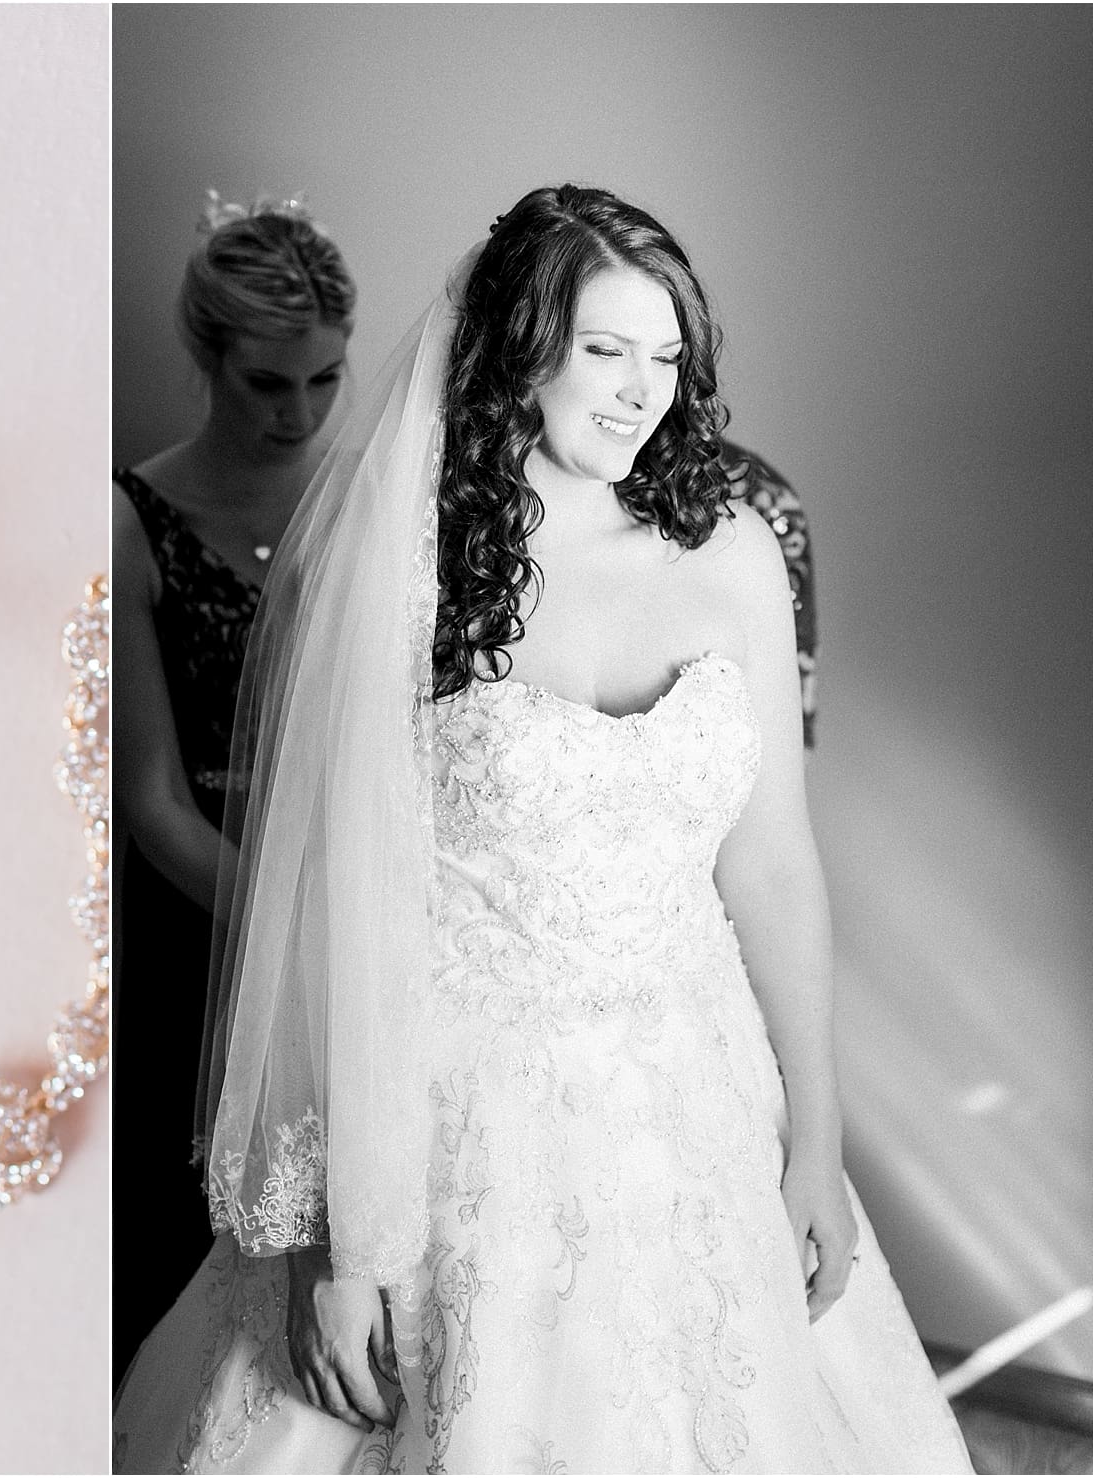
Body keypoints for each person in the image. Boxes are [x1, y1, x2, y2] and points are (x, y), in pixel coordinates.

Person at [112, 185, 970, 1473]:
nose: (641, 394)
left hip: (699, 1105)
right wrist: (329, 1238)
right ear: (517, 349)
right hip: (452, 1119)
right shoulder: (380, 557)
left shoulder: (734, 549)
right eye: (605, 352)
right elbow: (320, 914)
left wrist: (816, 1139)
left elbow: (774, 862)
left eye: (667, 357)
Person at [111, 197, 354, 1381]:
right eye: (270, 383)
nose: (298, 414)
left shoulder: (359, 506)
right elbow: (148, 798)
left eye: (325, 380)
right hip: (190, 910)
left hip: (340, 892)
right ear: (208, 358)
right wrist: (281, 927)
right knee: (177, 1218)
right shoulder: (127, 520)